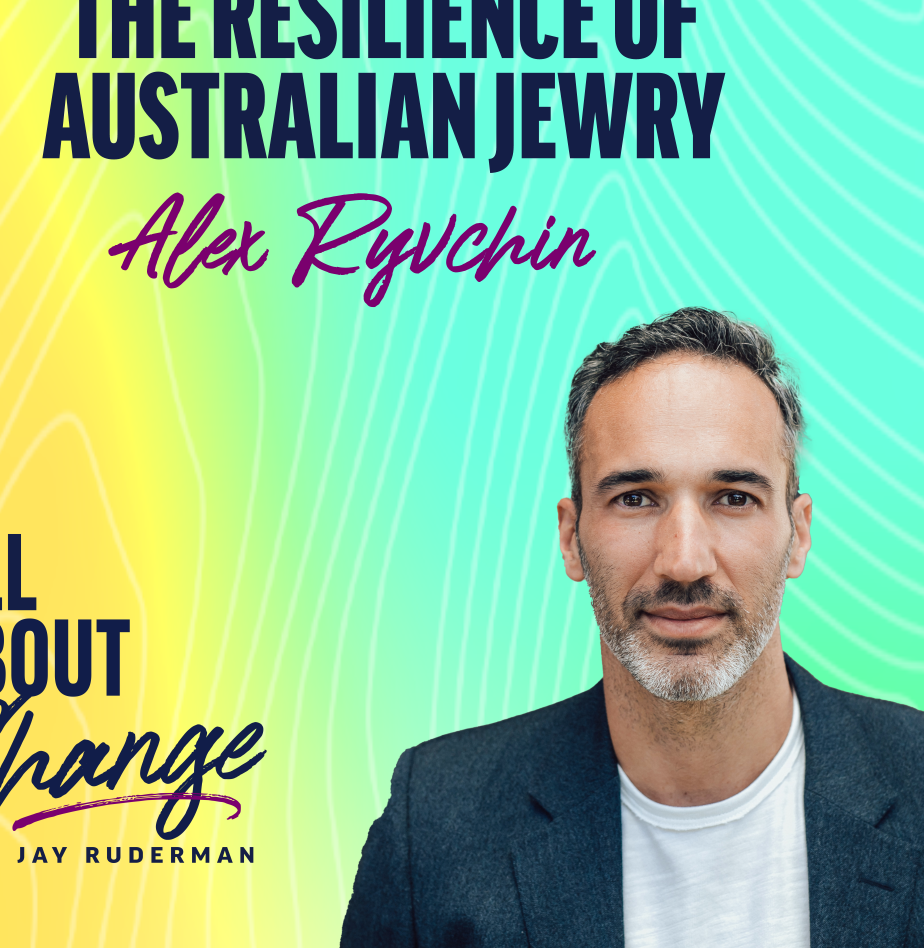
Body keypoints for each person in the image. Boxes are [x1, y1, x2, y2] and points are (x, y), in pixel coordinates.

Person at [341, 307, 924, 947]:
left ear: (798, 535)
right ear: (571, 538)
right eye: (635, 498)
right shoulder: (434, 823)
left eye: (734, 497)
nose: (683, 559)